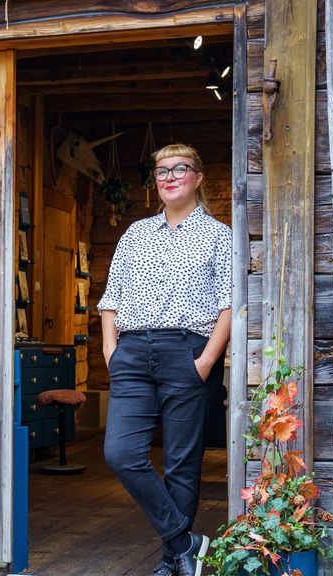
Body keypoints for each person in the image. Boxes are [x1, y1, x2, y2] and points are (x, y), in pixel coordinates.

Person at [98, 143, 231, 576]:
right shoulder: (135, 234)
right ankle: (183, 542)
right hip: (133, 352)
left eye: (180, 168)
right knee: (121, 453)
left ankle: (173, 560)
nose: (169, 177)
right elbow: (111, 299)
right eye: (161, 171)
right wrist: (111, 352)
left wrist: (205, 361)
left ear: (198, 177)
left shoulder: (219, 235)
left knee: (181, 463)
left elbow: (230, 305)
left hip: (187, 351)